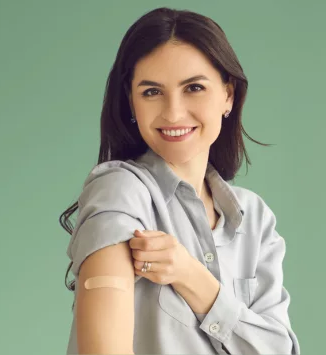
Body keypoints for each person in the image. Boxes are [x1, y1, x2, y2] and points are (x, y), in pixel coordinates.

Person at [59, 7, 301, 355]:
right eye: (152, 92)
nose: (173, 112)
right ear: (131, 100)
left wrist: (190, 276)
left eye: (194, 88)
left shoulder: (255, 219)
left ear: (228, 95)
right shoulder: (120, 192)